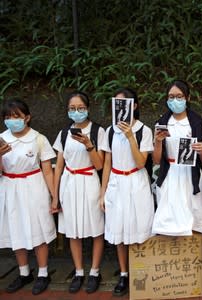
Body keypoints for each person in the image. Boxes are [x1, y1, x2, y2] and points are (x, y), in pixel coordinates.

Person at [100, 88, 155, 297]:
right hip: (116, 181)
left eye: (125, 103)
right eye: (118, 103)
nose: (121, 107)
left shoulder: (144, 131)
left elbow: (141, 162)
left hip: (136, 180)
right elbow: (106, 163)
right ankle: (124, 273)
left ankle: (141, 269)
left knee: (139, 227)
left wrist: (131, 136)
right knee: (119, 231)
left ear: (135, 106)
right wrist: (102, 193)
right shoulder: (110, 130)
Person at [0, 99, 56, 295]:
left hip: (34, 186)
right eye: (7, 117)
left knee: (38, 227)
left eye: (16, 116)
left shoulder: (38, 139)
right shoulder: (1, 139)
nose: (12, 121)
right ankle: (24, 272)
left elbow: (48, 171)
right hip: (9, 187)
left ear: (27, 117)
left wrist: (54, 196)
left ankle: (43, 273)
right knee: (16, 228)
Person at [52, 91, 105, 294]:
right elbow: (58, 166)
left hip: (89, 181)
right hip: (69, 182)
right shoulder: (64, 133)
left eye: (80, 108)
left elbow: (100, 165)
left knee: (96, 228)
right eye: (72, 108)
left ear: (88, 108)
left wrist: (89, 145)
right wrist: (55, 196)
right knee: (73, 230)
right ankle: (79, 271)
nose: (76, 112)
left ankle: (95, 271)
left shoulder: (97, 131)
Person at [152, 80, 202, 236]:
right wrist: (158, 141)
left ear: (188, 98)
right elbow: (156, 160)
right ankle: (172, 258)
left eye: (179, 96)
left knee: (194, 218)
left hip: (191, 176)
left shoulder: (197, 123)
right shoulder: (162, 123)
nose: (175, 100)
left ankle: (195, 257)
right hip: (169, 174)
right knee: (168, 220)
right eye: (171, 97)